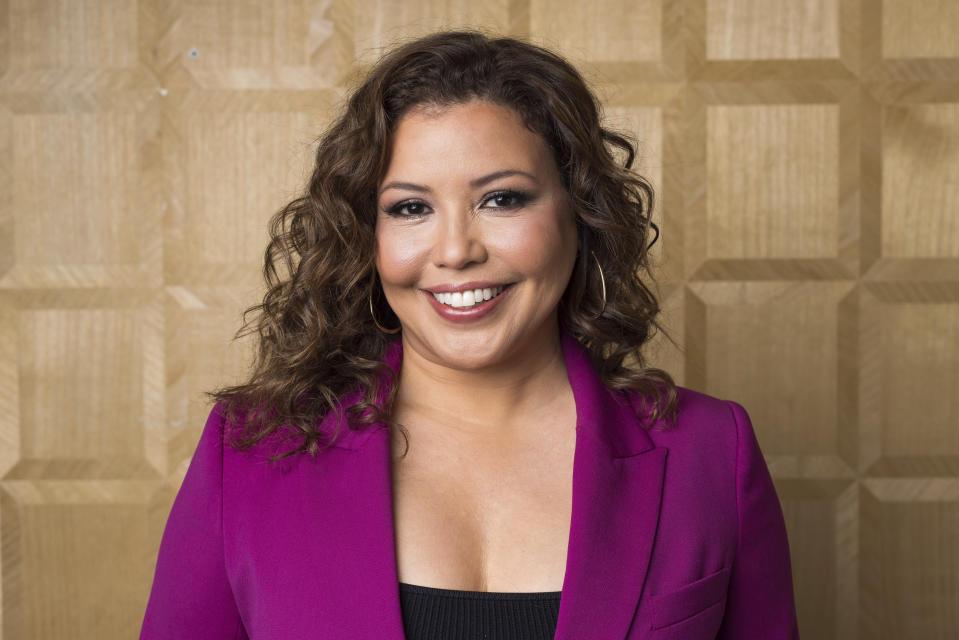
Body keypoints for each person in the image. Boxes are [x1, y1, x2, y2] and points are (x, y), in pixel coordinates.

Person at [140, 30, 799, 639]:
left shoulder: (711, 452)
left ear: (580, 212)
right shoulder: (252, 451)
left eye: (501, 199)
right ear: (364, 238)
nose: (455, 251)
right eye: (409, 208)